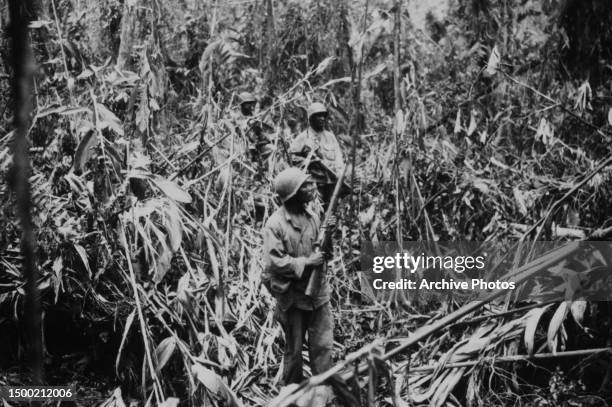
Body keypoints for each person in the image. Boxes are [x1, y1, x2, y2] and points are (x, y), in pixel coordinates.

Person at [262, 167, 334, 386]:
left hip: (318, 294)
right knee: (293, 351)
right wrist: (305, 262)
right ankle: (292, 394)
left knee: (323, 346)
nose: (313, 188)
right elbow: (274, 262)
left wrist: (328, 234)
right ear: (293, 193)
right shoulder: (275, 224)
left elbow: (324, 254)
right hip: (292, 297)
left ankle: (323, 391)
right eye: (306, 185)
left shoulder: (313, 216)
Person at [289, 102, 344, 206]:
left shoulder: (330, 137)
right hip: (314, 183)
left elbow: (338, 157)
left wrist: (340, 172)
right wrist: (308, 161)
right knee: (316, 211)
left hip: (331, 181)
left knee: (332, 209)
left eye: (323, 115)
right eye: (318, 116)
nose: (322, 118)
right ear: (311, 119)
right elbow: (292, 158)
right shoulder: (303, 137)